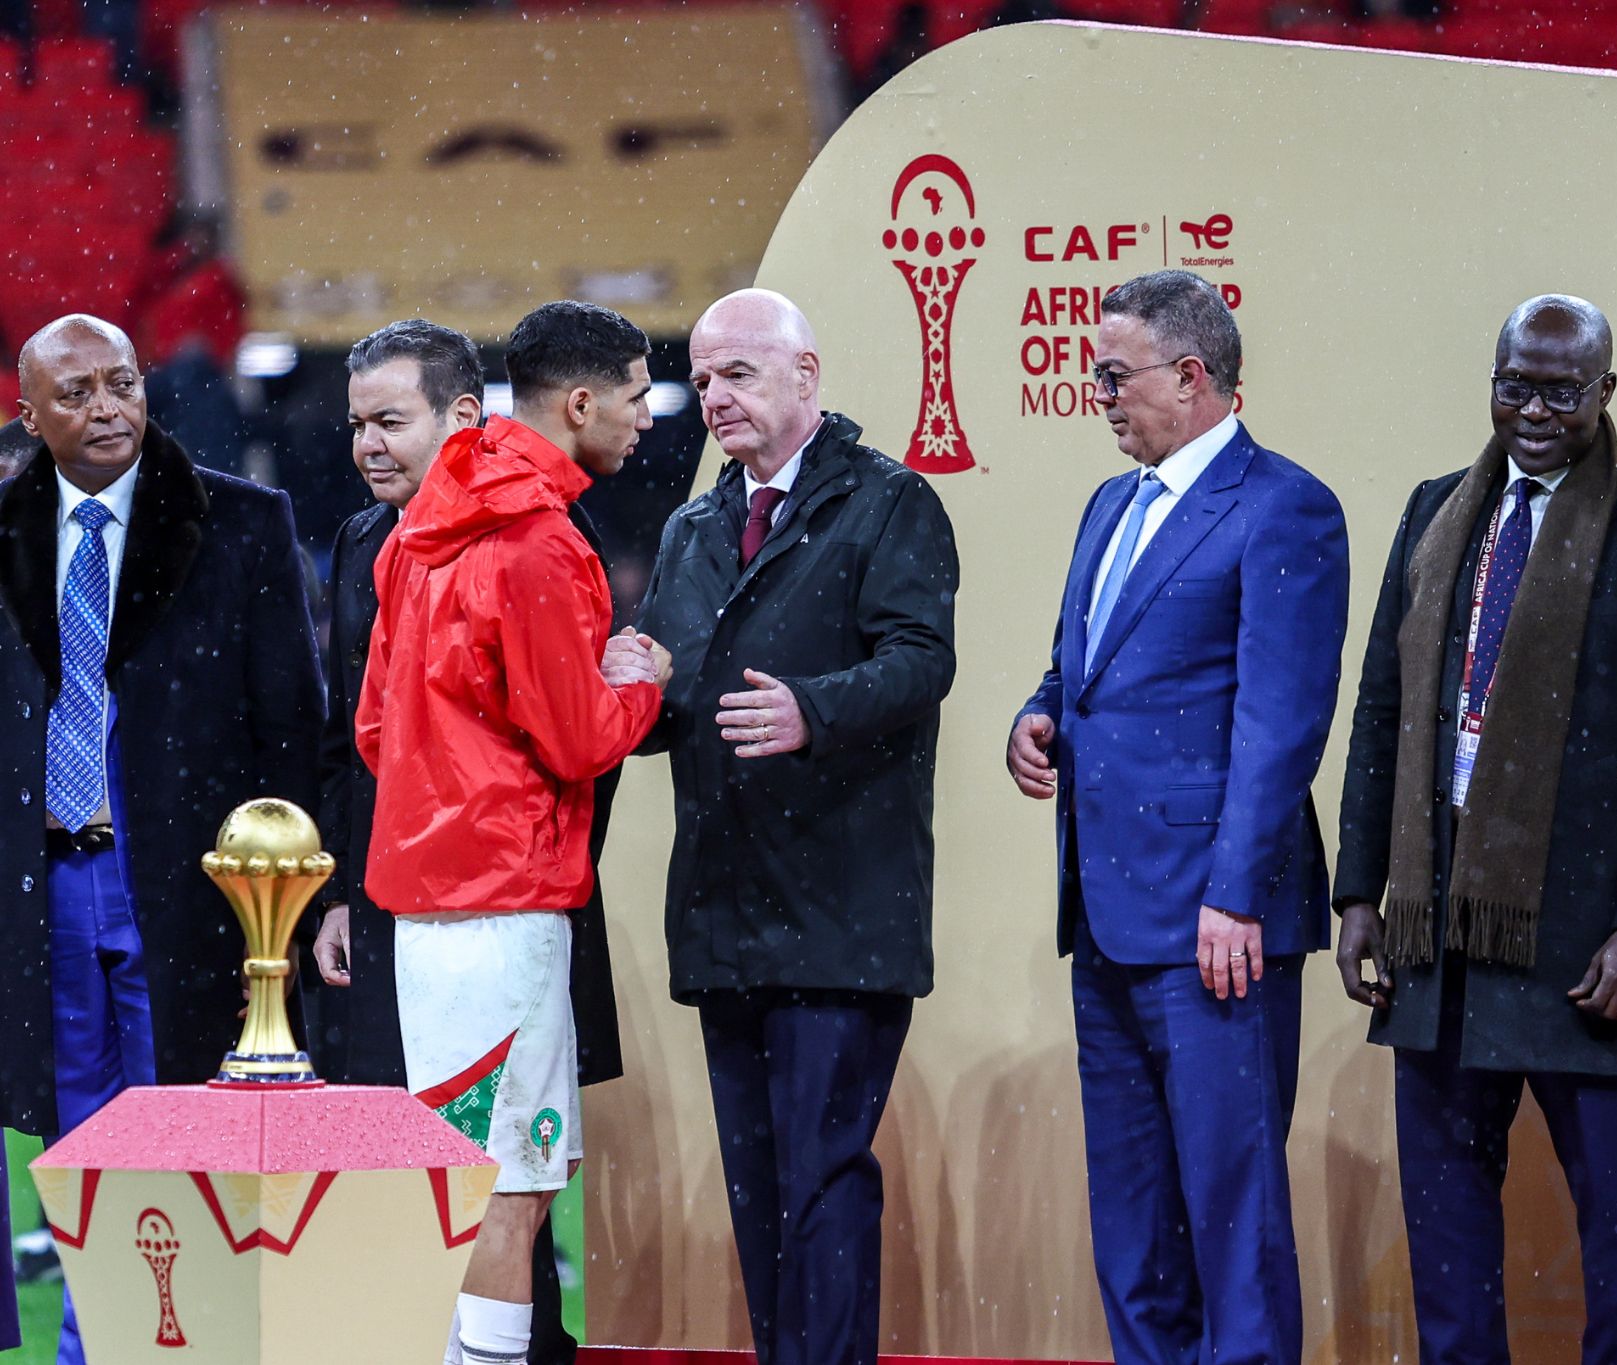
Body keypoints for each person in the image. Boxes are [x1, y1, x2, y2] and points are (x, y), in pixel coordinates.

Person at [1332, 296, 1617, 1365]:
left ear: (1605, 392)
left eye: (1560, 391)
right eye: (1514, 386)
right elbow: (1382, 708)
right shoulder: (1434, 511)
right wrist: (1359, 893)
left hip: (1582, 942)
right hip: (1437, 935)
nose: (1534, 411)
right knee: (1445, 1227)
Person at [1006, 269, 1348, 1364]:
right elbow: (1083, 668)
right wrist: (1038, 714)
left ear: (1191, 376)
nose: (1097, 394)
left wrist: (1234, 895)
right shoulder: (1111, 505)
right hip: (1108, 921)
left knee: (1232, 1222)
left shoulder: (1284, 506)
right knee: (1134, 1227)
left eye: (1114, 375)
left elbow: (1281, 724)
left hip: (1214, 928)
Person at [617, 288, 957, 1365]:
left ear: (805, 375)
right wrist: (627, 691)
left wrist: (812, 710)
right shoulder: (691, 528)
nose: (715, 396)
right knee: (759, 1194)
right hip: (725, 917)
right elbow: (675, 704)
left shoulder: (890, 501)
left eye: (739, 373)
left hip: (840, 910)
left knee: (820, 1185)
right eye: (703, 380)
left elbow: (921, 661)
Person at [0, 313, 322, 1365]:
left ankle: (182, 1341)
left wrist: (291, 902)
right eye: (77, 393)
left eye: (122, 384)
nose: (108, 409)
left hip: (188, 882)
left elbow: (290, 728)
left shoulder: (243, 522)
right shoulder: (4, 530)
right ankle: (96, 1341)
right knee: (78, 1134)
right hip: (43, 884)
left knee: (187, 1119)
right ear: (29, 414)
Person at [356, 300, 668, 1365]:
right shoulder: (539, 540)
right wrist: (641, 680)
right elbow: (579, 739)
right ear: (579, 404)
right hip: (507, 907)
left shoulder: (418, 533)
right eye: (635, 398)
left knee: (465, 1180)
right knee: (511, 1189)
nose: (646, 419)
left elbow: (375, 731)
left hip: (427, 913)